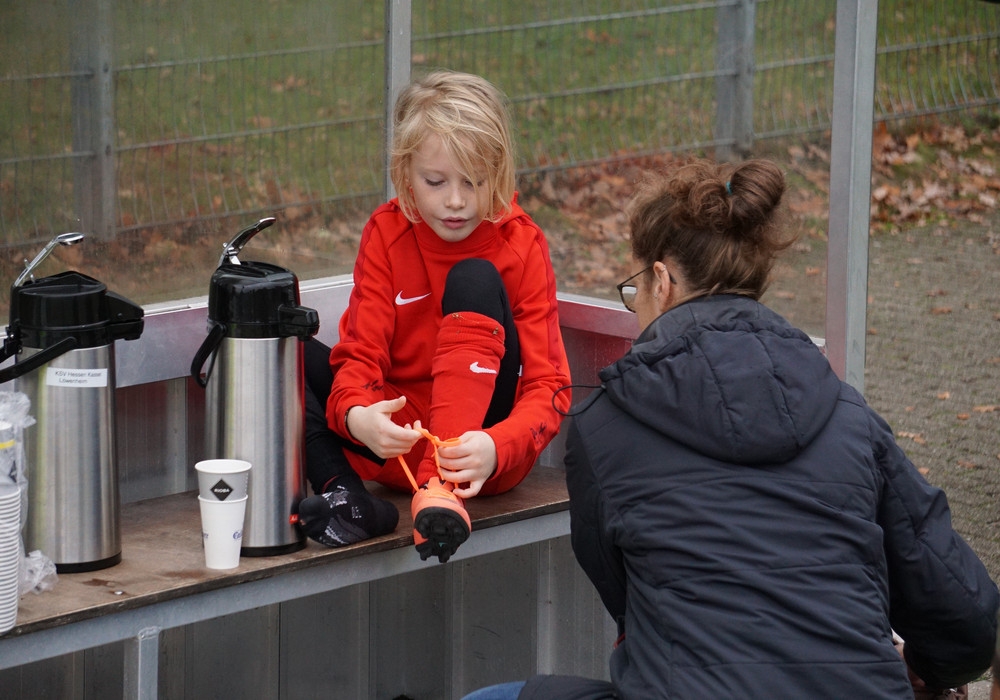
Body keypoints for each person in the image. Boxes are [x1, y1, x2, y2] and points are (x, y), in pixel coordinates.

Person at [463, 157, 998, 699]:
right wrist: (920, 669)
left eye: (634, 291)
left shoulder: (603, 427)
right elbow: (968, 621)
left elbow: (628, 605)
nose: (636, 308)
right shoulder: (848, 415)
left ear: (662, 282)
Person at [295, 70, 571, 564]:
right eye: (436, 182)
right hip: (397, 447)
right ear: (405, 173)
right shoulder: (387, 231)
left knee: (474, 278)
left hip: (475, 457)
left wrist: (497, 446)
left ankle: (438, 490)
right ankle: (348, 497)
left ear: (499, 174)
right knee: (277, 346)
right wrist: (357, 416)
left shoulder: (521, 242)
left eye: (474, 182)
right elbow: (360, 354)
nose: (456, 201)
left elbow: (550, 386)